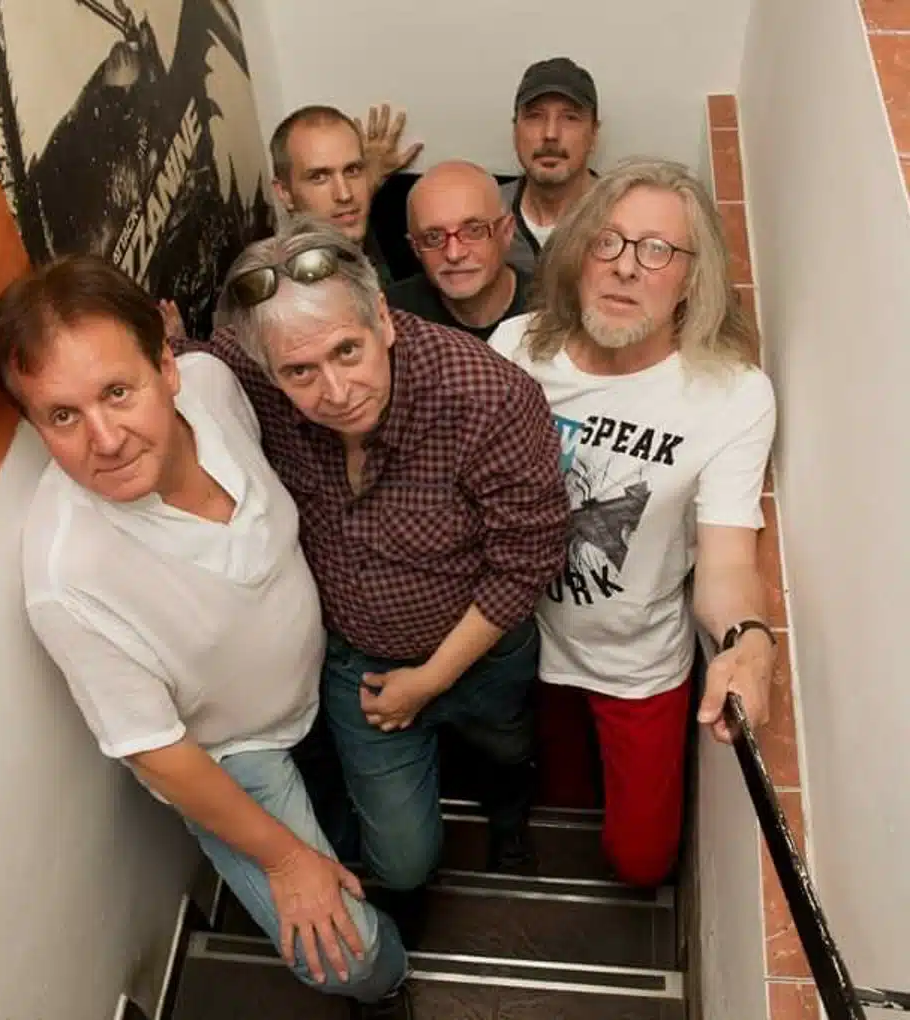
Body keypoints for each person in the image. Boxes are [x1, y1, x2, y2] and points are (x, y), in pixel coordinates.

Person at [0, 255, 413, 1019]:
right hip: (232, 753)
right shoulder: (67, 575)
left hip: (322, 679)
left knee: (383, 845)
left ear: (166, 367)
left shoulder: (215, 388)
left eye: (118, 392)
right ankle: (389, 989)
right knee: (343, 955)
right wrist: (287, 861)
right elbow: (155, 751)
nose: (105, 439)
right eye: (62, 416)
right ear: (32, 423)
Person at [175, 215, 567, 902]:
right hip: (359, 667)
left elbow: (527, 560)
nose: (334, 391)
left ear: (382, 319)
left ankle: (510, 819)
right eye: (300, 372)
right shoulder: (249, 368)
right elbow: (191, 367)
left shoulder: (490, 399)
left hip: (482, 655)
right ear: (268, 368)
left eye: (348, 352)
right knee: (404, 863)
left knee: (507, 752)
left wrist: (431, 679)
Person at [490, 158, 777, 888]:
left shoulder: (730, 396)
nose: (625, 267)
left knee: (642, 861)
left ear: (691, 278)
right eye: (608, 242)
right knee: (557, 802)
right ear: (578, 254)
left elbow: (727, 561)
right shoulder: (517, 347)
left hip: (636, 661)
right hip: (520, 640)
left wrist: (749, 639)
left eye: (656, 250)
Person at [269, 104, 422, 285]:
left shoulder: (398, 219)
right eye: (319, 177)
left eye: (352, 170)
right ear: (285, 193)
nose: (344, 194)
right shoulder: (287, 289)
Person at [385, 161, 531, 342]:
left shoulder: (553, 309)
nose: (453, 254)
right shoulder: (391, 318)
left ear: (507, 232)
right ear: (415, 248)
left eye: (474, 231)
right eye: (433, 237)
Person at [500, 57, 601, 272]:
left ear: (594, 133)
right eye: (535, 116)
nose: (550, 134)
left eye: (570, 118)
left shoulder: (625, 217)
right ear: (515, 130)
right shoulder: (485, 217)